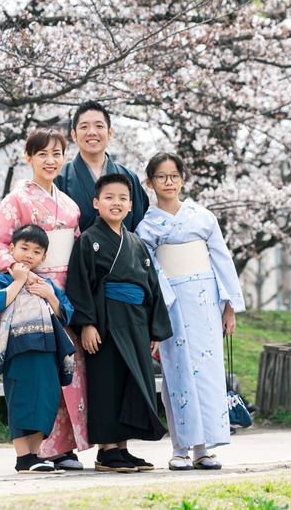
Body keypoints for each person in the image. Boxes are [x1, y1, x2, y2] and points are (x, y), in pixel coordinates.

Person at [0, 126, 89, 470]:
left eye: (56, 153)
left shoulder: (70, 205)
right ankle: (38, 450)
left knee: (67, 368)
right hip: (30, 290)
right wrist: (23, 273)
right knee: (38, 370)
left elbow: (74, 250)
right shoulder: (16, 200)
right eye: (42, 154)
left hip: (62, 290)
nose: (50, 160)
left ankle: (62, 447)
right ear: (28, 158)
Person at [136, 153, 246, 471]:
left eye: (174, 176)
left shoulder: (203, 217)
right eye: (161, 176)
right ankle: (181, 446)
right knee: (177, 371)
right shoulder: (146, 225)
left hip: (206, 301)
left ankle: (204, 447)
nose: (168, 182)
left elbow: (221, 260)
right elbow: (151, 269)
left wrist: (229, 307)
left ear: (183, 179)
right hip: (171, 302)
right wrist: (161, 304)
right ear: (150, 182)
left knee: (208, 371)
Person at [65, 173, 172, 472]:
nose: (116, 203)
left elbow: (152, 287)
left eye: (123, 198)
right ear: (96, 203)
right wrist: (86, 323)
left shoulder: (137, 244)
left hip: (136, 321)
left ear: (130, 205)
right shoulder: (89, 240)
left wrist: (155, 328)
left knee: (132, 384)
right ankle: (106, 450)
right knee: (107, 383)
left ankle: (122, 447)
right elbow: (80, 283)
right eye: (109, 197)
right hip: (106, 321)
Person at [0, 223, 72, 474]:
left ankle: (34, 455)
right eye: (24, 248)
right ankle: (23, 457)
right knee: (21, 399)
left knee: (46, 399)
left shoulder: (46, 283)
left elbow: (66, 314)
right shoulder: (2, 278)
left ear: (43, 257)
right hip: (18, 348)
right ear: (11, 249)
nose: (29, 255)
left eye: (36, 251)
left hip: (47, 348)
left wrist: (49, 295)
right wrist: (18, 281)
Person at [58, 101, 148, 233]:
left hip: (123, 254)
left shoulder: (129, 177)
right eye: (84, 127)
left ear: (110, 132)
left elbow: (140, 230)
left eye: (99, 126)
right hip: (77, 253)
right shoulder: (60, 178)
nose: (92, 132)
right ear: (73, 135)